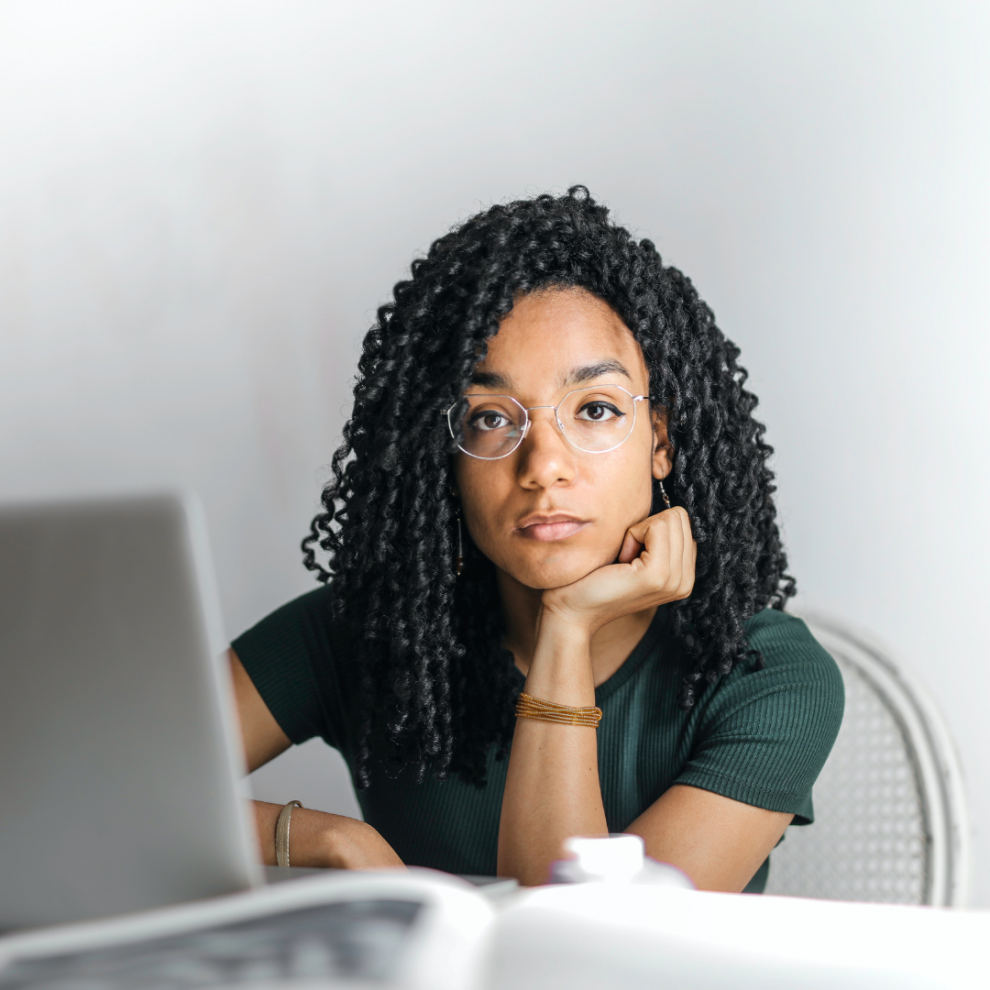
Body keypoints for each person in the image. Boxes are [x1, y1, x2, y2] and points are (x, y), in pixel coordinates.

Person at [231, 186, 844, 892]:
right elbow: (93, 788)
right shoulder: (373, 631)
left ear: (661, 442)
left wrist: (568, 626)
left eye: (594, 408)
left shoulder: (768, 676)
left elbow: (582, 957)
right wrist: (329, 838)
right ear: (448, 456)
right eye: (491, 418)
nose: (544, 465)